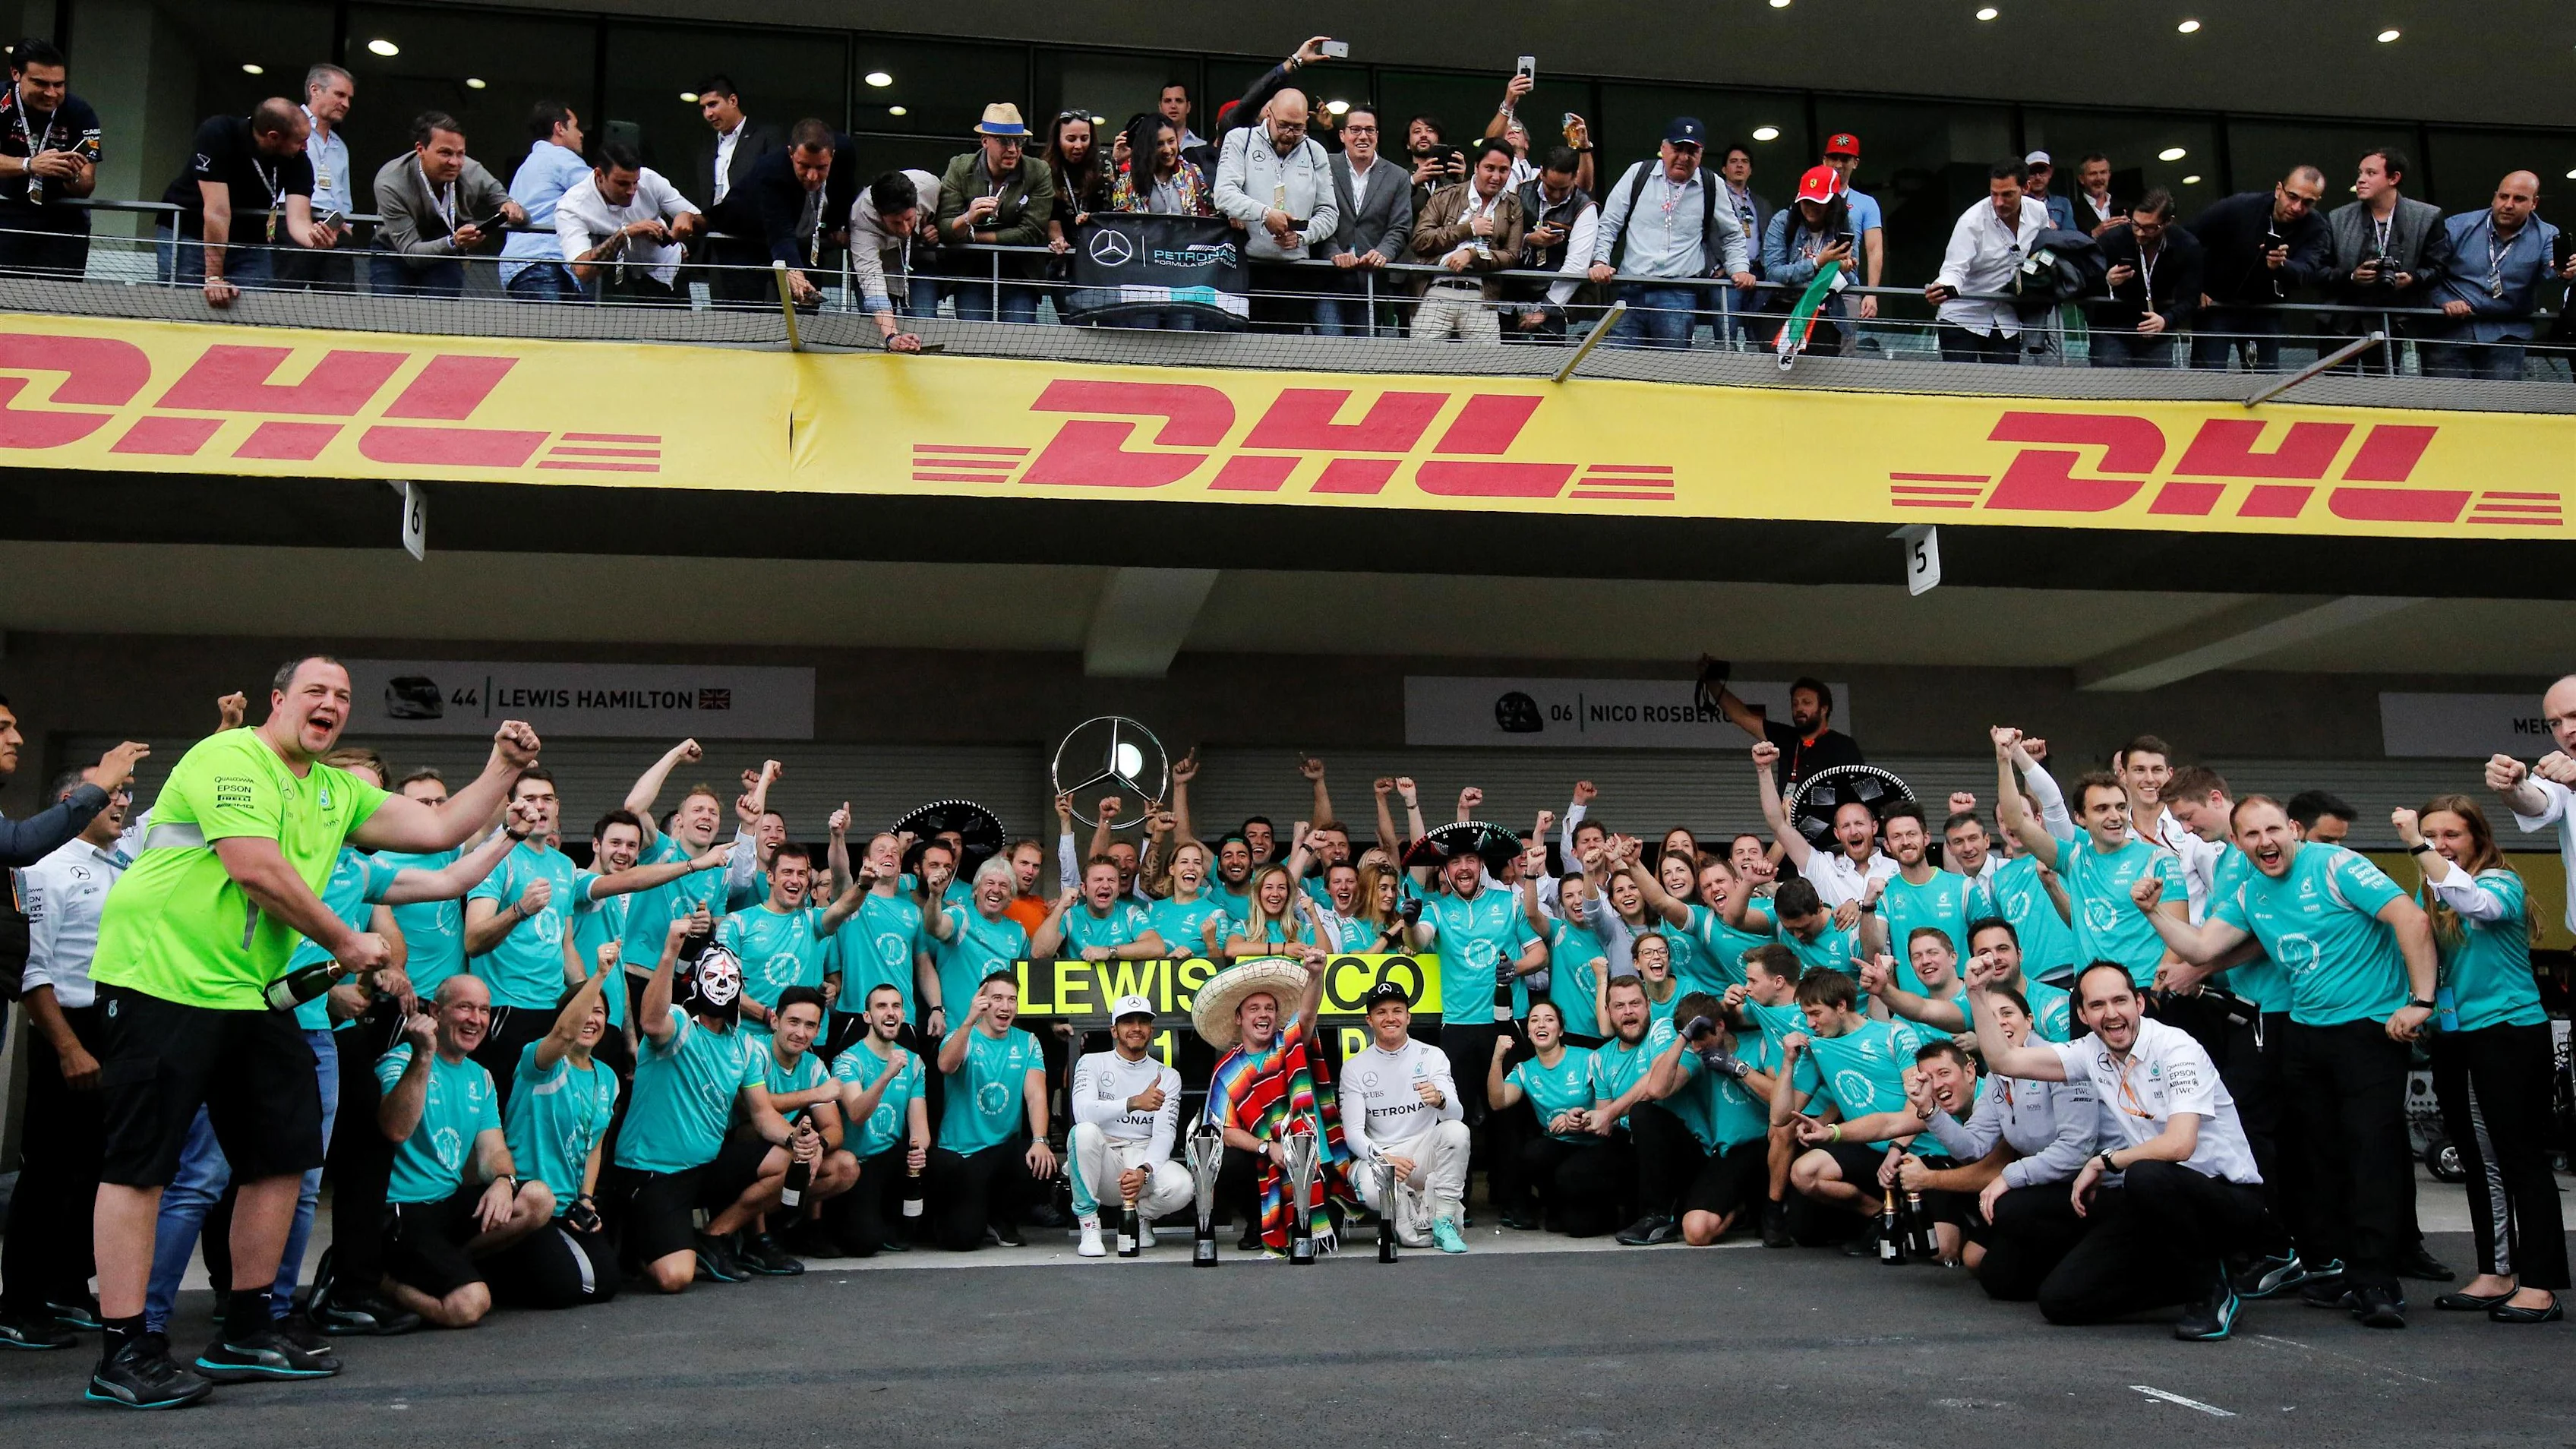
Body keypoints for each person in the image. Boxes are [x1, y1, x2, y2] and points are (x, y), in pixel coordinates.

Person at [81, 659, 532, 1407]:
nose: (331, 704)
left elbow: (437, 830)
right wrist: (345, 941)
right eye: (316, 692)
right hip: (160, 977)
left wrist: (502, 766)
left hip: (250, 996)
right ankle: (126, 1349)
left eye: (343, 697)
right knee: (142, 1168)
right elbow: (253, 867)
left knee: (285, 1155)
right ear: (279, 701)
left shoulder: (335, 792)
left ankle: (248, 1328)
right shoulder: (230, 756)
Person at [2132, 795, 2436, 1329]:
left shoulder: (2336, 865)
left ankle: (2377, 1280)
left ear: (2293, 828)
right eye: (2251, 835)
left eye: (2272, 830)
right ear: (2238, 843)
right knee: (2315, 1159)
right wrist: (2153, 911)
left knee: (2370, 1154)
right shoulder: (2249, 892)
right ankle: (2339, 1268)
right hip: (2305, 1032)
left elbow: (2411, 919)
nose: (2265, 842)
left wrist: (2420, 1001)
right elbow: (2201, 949)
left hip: (2368, 1029)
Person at [1969, 962, 2274, 1340]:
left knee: (2144, 1174)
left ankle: (2210, 1289)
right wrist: (1977, 995)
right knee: (2059, 1301)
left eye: (2120, 1001)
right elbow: (2005, 1061)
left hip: (2226, 1198)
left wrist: (2105, 1161)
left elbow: (2180, 1144)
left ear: (2139, 1004)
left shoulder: (2177, 1047)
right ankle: (2180, 1278)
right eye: (2097, 1005)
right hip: (2152, 1199)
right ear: (2083, 1015)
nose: (2111, 1013)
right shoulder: (2090, 1051)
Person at [2389, 798, 2563, 1323]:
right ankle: (2496, 1272)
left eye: (2452, 835)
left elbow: (2477, 905)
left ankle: (2541, 1284)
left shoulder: (2499, 882)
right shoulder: (2430, 888)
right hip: (2456, 1036)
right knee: (2476, 1157)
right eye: (2432, 835)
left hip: (2509, 1032)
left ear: (2478, 839)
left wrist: (2416, 845)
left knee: (2520, 1157)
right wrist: (2418, 1007)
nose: (2440, 845)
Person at [0, 769, 133, 1348]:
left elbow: (174, 819)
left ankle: (66, 1286)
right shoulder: (43, 867)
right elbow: (32, 968)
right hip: (66, 1028)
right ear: (71, 802)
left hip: (113, 1027)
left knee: (98, 1166)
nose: (123, 802)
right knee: (48, 1171)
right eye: (113, 793)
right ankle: (18, 1304)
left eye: (128, 793)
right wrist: (69, 1047)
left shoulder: (123, 860)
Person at [601, 921, 797, 1293]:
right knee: (675, 1278)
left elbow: (762, 1114)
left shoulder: (744, 1047)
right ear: (695, 982)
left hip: (705, 1167)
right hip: (654, 1172)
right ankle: (641, 1240)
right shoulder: (679, 1023)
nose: (722, 984)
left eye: (731, 978)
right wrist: (670, 953)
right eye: (713, 975)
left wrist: (795, 1140)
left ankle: (713, 1236)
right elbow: (650, 1021)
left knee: (790, 1159)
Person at [374, 975, 554, 1330]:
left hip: (447, 1204)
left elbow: (494, 1152)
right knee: (469, 1304)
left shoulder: (480, 1077)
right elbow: (395, 1129)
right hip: (402, 1212)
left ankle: (452, 1264)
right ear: (436, 1012)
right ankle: (377, 1280)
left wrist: (503, 1181)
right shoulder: (400, 1060)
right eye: (465, 1008)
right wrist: (423, 1056)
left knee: (538, 1198)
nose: (476, 1019)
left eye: (484, 1010)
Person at [1918, 983, 2098, 1300]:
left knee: (2007, 1207)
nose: (1999, 1022)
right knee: (1995, 1277)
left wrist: (2009, 1177)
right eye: (1990, 1017)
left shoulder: (2059, 1061)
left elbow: (2076, 1150)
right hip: (2043, 1186)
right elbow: (1973, 1147)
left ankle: (2090, 1255)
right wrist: (1930, 1111)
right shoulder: (1997, 1078)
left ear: (2029, 1021)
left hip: (2089, 1186)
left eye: (2007, 1013)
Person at [482, 950, 621, 1309]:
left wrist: (586, 1199)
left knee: (606, 1281)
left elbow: (595, 1144)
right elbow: (563, 1034)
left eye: (599, 1012)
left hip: (568, 1207)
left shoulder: (607, 1077)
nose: (591, 1019)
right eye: (583, 1010)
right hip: (530, 1202)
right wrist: (599, 976)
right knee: (564, 1286)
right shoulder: (540, 1060)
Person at [1994, 731, 2183, 990]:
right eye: (2102, 809)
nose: (2115, 816)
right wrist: (2004, 760)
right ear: (2080, 818)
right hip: (2088, 992)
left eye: (2120, 807)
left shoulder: (2158, 858)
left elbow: (2179, 936)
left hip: (2141, 989)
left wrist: (2156, 994)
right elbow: (2016, 822)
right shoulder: (2072, 858)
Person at [1199, 951, 1343, 1254]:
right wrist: (1268, 1148)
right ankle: (1258, 1220)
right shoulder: (1227, 1070)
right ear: (1239, 1018)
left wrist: (1315, 976)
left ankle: (1298, 1215)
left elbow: (1308, 1013)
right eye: (1253, 1009)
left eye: (1269, 1008)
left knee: (1316, 1236)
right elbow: (1225, 1131)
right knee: (1226, 1162)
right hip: (1266, 1160)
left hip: (1314, 1161)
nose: (1262, 1015)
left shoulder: (1291, 1042)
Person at [1769, 968, 1925, 1247]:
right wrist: (1788, 1062)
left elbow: (1919, 1103)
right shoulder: (1817, 1048)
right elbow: (1780, 1117)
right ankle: (1881, 1213)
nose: (1810, 1023)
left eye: (1816, 1014)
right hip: (1867, 1147)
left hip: (1915, 1147)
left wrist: (1896, 1149)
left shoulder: (1896, 1035)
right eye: (1806, 1015)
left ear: (1841, 1005)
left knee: (1940, 1249)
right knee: (1804, 1176)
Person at [1585, 115, 1755, 348]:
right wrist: (1600, 262)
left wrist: (1740, 269)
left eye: (1692, 151)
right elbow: (1609, 223)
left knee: (1670, 367)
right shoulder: (1638, 173)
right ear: (1663, 148)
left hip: (1678, 293)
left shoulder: (1711, 183)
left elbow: (1732, 234)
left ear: (1701, 154)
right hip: (1631, 287)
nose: (1684, 157)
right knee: (1619, 364)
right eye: (1677, 149)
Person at [1340, 982, 1472, 1253]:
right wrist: (1383, 1158)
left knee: (1457, 1132)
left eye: (1397, 1011)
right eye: (1381, 1012)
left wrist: (1441, 1099)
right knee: (1369, 1187)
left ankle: (1443, 1222)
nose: (1390, 1018)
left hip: (1423, 1154)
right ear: (1369, 1020)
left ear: (1409, 1017)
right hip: (1384, 1153)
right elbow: (1352, 1134)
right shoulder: (1354, 1067)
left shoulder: (1432, 1056)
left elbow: (1456, 1115)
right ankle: (1401, 1222)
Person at [157, 98, 327, 305]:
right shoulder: (218, 133)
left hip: (250, 243)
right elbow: (217, 212)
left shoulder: (298, 160)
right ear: (273, 136)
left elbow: (298, 220)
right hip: (192, 234)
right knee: (185, 307)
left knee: (255, 310)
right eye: (300, 140)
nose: (305, 147)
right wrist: (214, 278)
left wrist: (316, 239)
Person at [929, 971, 1053, 1249]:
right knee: (962, 1240)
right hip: (960, 1155)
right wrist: (968, 1020)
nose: (1005, 1006)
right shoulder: (961, 1036)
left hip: (1000, 1154)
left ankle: (1001, 1217)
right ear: (983, 1002)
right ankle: (960, 1218)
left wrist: (1040, 1140)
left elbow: (1036, 1095)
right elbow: (945, 1066)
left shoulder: (1028, 1042)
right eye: (997, 998)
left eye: (1012, 999)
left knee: (1037, 1158)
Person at [1643, 997, 1781, 1246]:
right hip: (1729, 1153)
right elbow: (1656, 1089)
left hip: (1767, 1146)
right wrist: (1682, 1039)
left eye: (1701, 1038)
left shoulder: (1759, 1043)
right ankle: (1739, 1208)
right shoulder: (1696, 1057)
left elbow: (1781, 1099)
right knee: (1695, 1232)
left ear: (1720, 1026)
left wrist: (1735, 1067)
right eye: (1691, 1040)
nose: (1696, 1047)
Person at [1066, 995, 1190, 1257]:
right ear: (1114, 1030)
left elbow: (1164, 1135)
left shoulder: (1168, 1076)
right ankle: (1089, 1225)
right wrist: (1133, 1103)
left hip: (1141, 1158)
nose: (1136, 1028)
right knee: (1083, 1132)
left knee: (1183, 1186)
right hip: (1105, 1161)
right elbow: (1082, 1112)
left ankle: (1136, 1217)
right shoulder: (1091, 1062)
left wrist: (1145, 1170)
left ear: (1151, 1031)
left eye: (1143, 1022)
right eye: (1127, 1022)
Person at [741, 987, 854, 1270]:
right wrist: (814, 1095)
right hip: (739, 1147)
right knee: (775, 1147)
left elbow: (834, 1128)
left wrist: (820, 1146)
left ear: (818, 1031)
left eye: (810, 1026)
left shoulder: (813, 1065)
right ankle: (756, 1238)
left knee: (846, 1166)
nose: (801, 1033)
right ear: (776, 1021)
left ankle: (782, 1219)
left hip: (784, 1145)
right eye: (793, 1022)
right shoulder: (754, 1050)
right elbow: (754, 1108)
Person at [2423, 171, 2571, 380]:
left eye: (2519, 199)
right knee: (2447, 399)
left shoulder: (2546, 235)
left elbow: (2553, 269)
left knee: (2501, 399)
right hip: (2452, 328)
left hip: (2507, 334)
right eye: (2504, 196)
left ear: (2534, 203)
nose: (2508, 205)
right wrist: (2444, 300)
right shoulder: (2458, 226)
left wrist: (2564, 270)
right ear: (2494, 197)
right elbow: (2428, 270)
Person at [1489, 1000, 1619, 1235]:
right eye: (1534, 1020)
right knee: (1533, 1154)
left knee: (1579, 1225)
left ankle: (1608, 1209)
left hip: (1597, 1146)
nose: (1541, 1025)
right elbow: (1498, 1101)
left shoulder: (1589, 1059)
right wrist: (1497, 1058)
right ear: (1528, 1032)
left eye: (1549, 1019)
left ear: (1560, 1030)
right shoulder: (1525, 1070)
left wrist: (1577, 1121)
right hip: (1560, 1147)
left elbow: (1609, 1115)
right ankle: (1557, 1206)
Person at [1213, 87, 1337, 331]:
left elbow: (1329, 213)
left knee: (1286, 348)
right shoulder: (1240, 140)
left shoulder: (1316, 152)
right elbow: (1224, 194)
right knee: (1241, 347)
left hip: (1295, 271)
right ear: (1268, 114)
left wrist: (1302, 236)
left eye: (1298, 128)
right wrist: (1264, 214)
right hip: (1245, 268)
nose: (1289, 134)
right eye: (1283, 125)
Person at [2186, 166, 2331, 371]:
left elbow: (2307, 272)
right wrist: (2194, 286)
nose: (2297, 207)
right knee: (2207, 377)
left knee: (2264, 380)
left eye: (2308, 202)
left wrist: (2282, 266)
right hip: (2217, 304)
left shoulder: (2316, 226)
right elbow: (2187, 241)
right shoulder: (2241, 206)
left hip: (2265, 309)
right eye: (2292, 197)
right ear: (2278, 190)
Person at [823, 983, 930, 1256]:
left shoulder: (914, 1062)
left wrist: (919, 1151)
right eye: (881, 1006)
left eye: (896, 1006)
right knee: (864, 1243)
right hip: (858, 1164)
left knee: (939, 1164)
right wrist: (886, 1075)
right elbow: (857, 1114)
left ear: (903, 1015)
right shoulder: (848, 1060)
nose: (890, 1012)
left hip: (892, 1160)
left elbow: (920, 1128)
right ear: (867, 1016)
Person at [367, 110, 518, 298]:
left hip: (446, 252)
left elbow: (511, 206)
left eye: (461, 154)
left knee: (440, 314)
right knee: (389, 314)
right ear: (420, 150)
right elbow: (411, 252)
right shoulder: (391, 182)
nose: (455, 162)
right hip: (395, 252)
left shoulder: (472, 171)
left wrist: (512, 209)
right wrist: (455, 242)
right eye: (445, 153)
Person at [2323, 147, 2449, 365]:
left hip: (2396, 322)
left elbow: (2439, 269)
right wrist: (2351, 277)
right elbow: (2319, 271)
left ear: (2394, 178)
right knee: (2333, 385)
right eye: (2360, 173)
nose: (2361, 180)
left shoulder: (2427, 216)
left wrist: (2413, 279)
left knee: (2384, 385)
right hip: (2343, 322)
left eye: (2371, 173)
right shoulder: (2338, 217)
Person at [715, 118, 858, 309]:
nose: (812, 176)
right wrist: (795, 272)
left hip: (800, 244)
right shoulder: (771, 169)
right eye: (804, 166)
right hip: (745, 238)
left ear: (832, 155)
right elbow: (780, 232)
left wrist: (840, 227)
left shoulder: (845, 152)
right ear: (791, 153)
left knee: (807, 306)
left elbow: (846, 191)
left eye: (821, 167)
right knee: (748, 312)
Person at [936, 104, 1053, 325]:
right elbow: (944, 226)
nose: (1013, 149)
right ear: (985, 141)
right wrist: (968, 218)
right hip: (970, 270)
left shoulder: (1038, 171)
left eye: (1019, 141)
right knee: (973, 337)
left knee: (1019, 339)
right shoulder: (960, 167)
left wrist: (973, 236)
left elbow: (1032, 232)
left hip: (1019, 271)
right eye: (1004, 141)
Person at [1924, 157, 2049, 363]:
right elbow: (1954, 269)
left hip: (2006, 319)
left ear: (2026, 188)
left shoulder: (2039, 212)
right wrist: (1942, 287)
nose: (1999, 202)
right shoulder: (1971, 221)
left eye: (2007, 194)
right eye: (1994, 194)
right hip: (1962, 318)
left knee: (2007, 384)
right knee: (1959, 384)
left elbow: (2045, 248)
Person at [554, 140, 704, 305]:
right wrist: (625, 233)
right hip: (621, 281)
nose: (632, 191)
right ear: (599, 176)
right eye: (622, 184)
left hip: (669, 270)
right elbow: (582, 270)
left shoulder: (650, 180)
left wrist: (687, 217)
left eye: (636, 182)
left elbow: (703, 220)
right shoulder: (572, 206)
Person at [1407, 137, 1524, 345]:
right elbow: (1420, 240)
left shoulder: (1512, 205)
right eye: (1490, 168)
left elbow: (1512, 256)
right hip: (1437, 290)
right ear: (1476, 167)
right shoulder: (1446, 195)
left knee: (1487, 364)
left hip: (1482, 295)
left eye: (1503, 170)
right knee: (1422, 361)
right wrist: (1468, 229)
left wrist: (1472, 254)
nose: (1496, 177)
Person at [1751, 739, 1891, 911]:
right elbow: (1778, 825)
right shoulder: (1823, 868)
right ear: (1836, 833)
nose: (1853, 831)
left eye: (1859, 823)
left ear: (1874, 827)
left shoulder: (1897, 869)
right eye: (1845, 826)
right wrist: (1764, 769)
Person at [0, 38, 98, 280]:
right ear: (16, 74)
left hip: (64, 221)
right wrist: (29, 165)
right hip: (8, 214)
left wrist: (72, 176)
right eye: (41, 83)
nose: (51, 93)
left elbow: (86, 185)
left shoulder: (80, 112)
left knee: (58, 298)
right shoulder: (1, 100)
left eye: (59, 85)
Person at [1315, 104, 1413, 337]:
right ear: (1342, 135)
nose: (1363, 136)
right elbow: (1315, 214)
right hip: (1327, 279)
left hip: (1370, 283)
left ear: (1377, 135)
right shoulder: (1324, 166)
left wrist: (1383, 252)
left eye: (1369, 130)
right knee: (1329, 348)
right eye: (1355, 129)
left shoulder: (1398, 176)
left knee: (1363, 353)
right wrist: (1333, 252)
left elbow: (1400, 227)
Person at [2086, 188, 2202, 368]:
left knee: (2156, 385)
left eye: (2149, 228)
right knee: (2111, 382)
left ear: (2168, 222)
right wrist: (2106, 281)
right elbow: (2083, 283)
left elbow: (2191, 298)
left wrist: (2167, 320)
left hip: (2158, 332)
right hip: (2112, 330)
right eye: (2136, 224)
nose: (2139, 233)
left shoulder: (2186, 245)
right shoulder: (2112, 240)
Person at [690, 75, 782, 297]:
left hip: (756, 248)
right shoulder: (706, 151)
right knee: (722, 315)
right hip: (717, 247)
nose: (708, 114)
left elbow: (772, 191)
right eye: (703, 108)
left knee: (754, 315)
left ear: (733, 100)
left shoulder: (766, 137)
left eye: (713, 104)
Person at [497, 99, 588, 301]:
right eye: (576, 127)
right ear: (559, 128)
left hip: (522, 265)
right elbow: (601, 192)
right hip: (544, 261)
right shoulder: (560, 156)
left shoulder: (527, 165)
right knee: (554, 324)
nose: (581, 134)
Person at [1503, 146, 1596, 343]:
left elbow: (1577, 265)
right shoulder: (1518, 191)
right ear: (1541, 172)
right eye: (1551, 187)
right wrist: (1528, 239)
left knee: (1549, 361)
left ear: (1575, 177)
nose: (1556, 194)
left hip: (1552, 302)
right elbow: (1499, 237)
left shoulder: (1585, 208)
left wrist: (1545, 309)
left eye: (1563, 189)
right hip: (1508, 298)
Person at [1760, 166, 1858, 353]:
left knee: (1820, 366)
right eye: (1806, 201)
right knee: (1774, 359)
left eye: (1818, 202)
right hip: (1781, 306)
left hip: (1825, 311)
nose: (1811, 207)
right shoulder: (1783, 221)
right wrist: (1817, 263)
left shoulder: (1845, 224)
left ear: (1832, 202)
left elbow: (1852, 279)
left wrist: (1844, 269)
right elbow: (1774, 272)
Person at [1713, 675, 1861, 786]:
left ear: (1824, 709)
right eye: (1795, 704)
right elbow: (1742, 717)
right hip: (1787, 819)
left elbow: (1858, 791)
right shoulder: (1786, 737)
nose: (1799, 708)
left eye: (1807, 703)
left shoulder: (1843, 745)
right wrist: (1710, 680)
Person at [1818, 132, 1885, 332]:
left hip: (1847, 286)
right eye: (1834, 158)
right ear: (1824, 161)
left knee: (1846, 346)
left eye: (1845, 159)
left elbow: (1874, 250)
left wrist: (1871, 293)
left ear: (1855, 163)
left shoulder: (1867, 203)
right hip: (1809, 284)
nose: (1839, 164)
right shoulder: (1810, 197)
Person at [2069, 153, 2121, 236]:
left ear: (2109, 175)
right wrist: (2095, 234)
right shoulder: (2072, 212)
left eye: (2103, 172)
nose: (2099, 178)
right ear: (2081, 179)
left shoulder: (2125, 207)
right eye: (2093, 174)